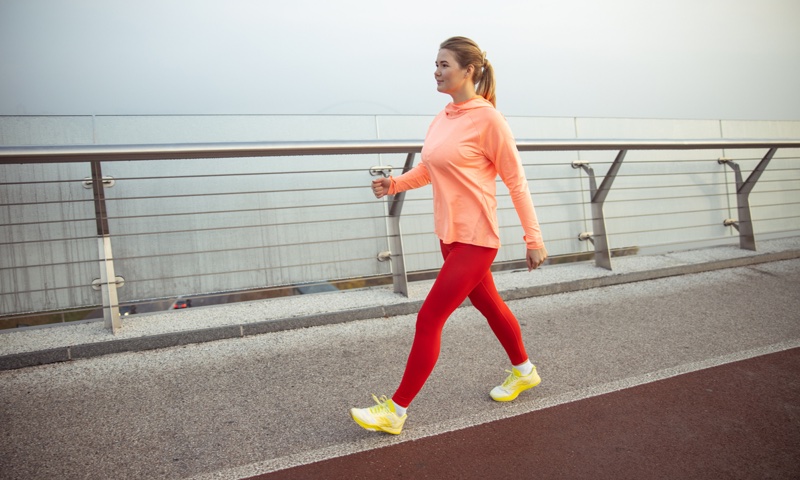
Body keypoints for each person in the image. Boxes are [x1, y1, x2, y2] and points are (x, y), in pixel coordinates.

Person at [350, 36, 548, 435]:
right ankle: (524, 371)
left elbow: (516, 181)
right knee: (490, 306)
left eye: (444, 65)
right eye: (436, 65)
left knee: (429, 318)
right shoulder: (443, 117)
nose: (436, 71)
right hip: (450, 236)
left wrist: (534, 239)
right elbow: (430, 168)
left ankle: (396, 410)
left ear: (468, 71)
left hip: (477, 239)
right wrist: (394, 184)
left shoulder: (489, 119)